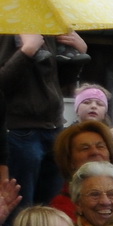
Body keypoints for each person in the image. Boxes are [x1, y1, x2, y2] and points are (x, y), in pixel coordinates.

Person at [1, 32, 87, 205]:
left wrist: (78, 55)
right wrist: (26, 51)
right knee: (19, 214)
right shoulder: (6, 26)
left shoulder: (44, 26)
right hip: (18, 131)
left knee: (49, 214)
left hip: (53, 129)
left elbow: (56, 82)